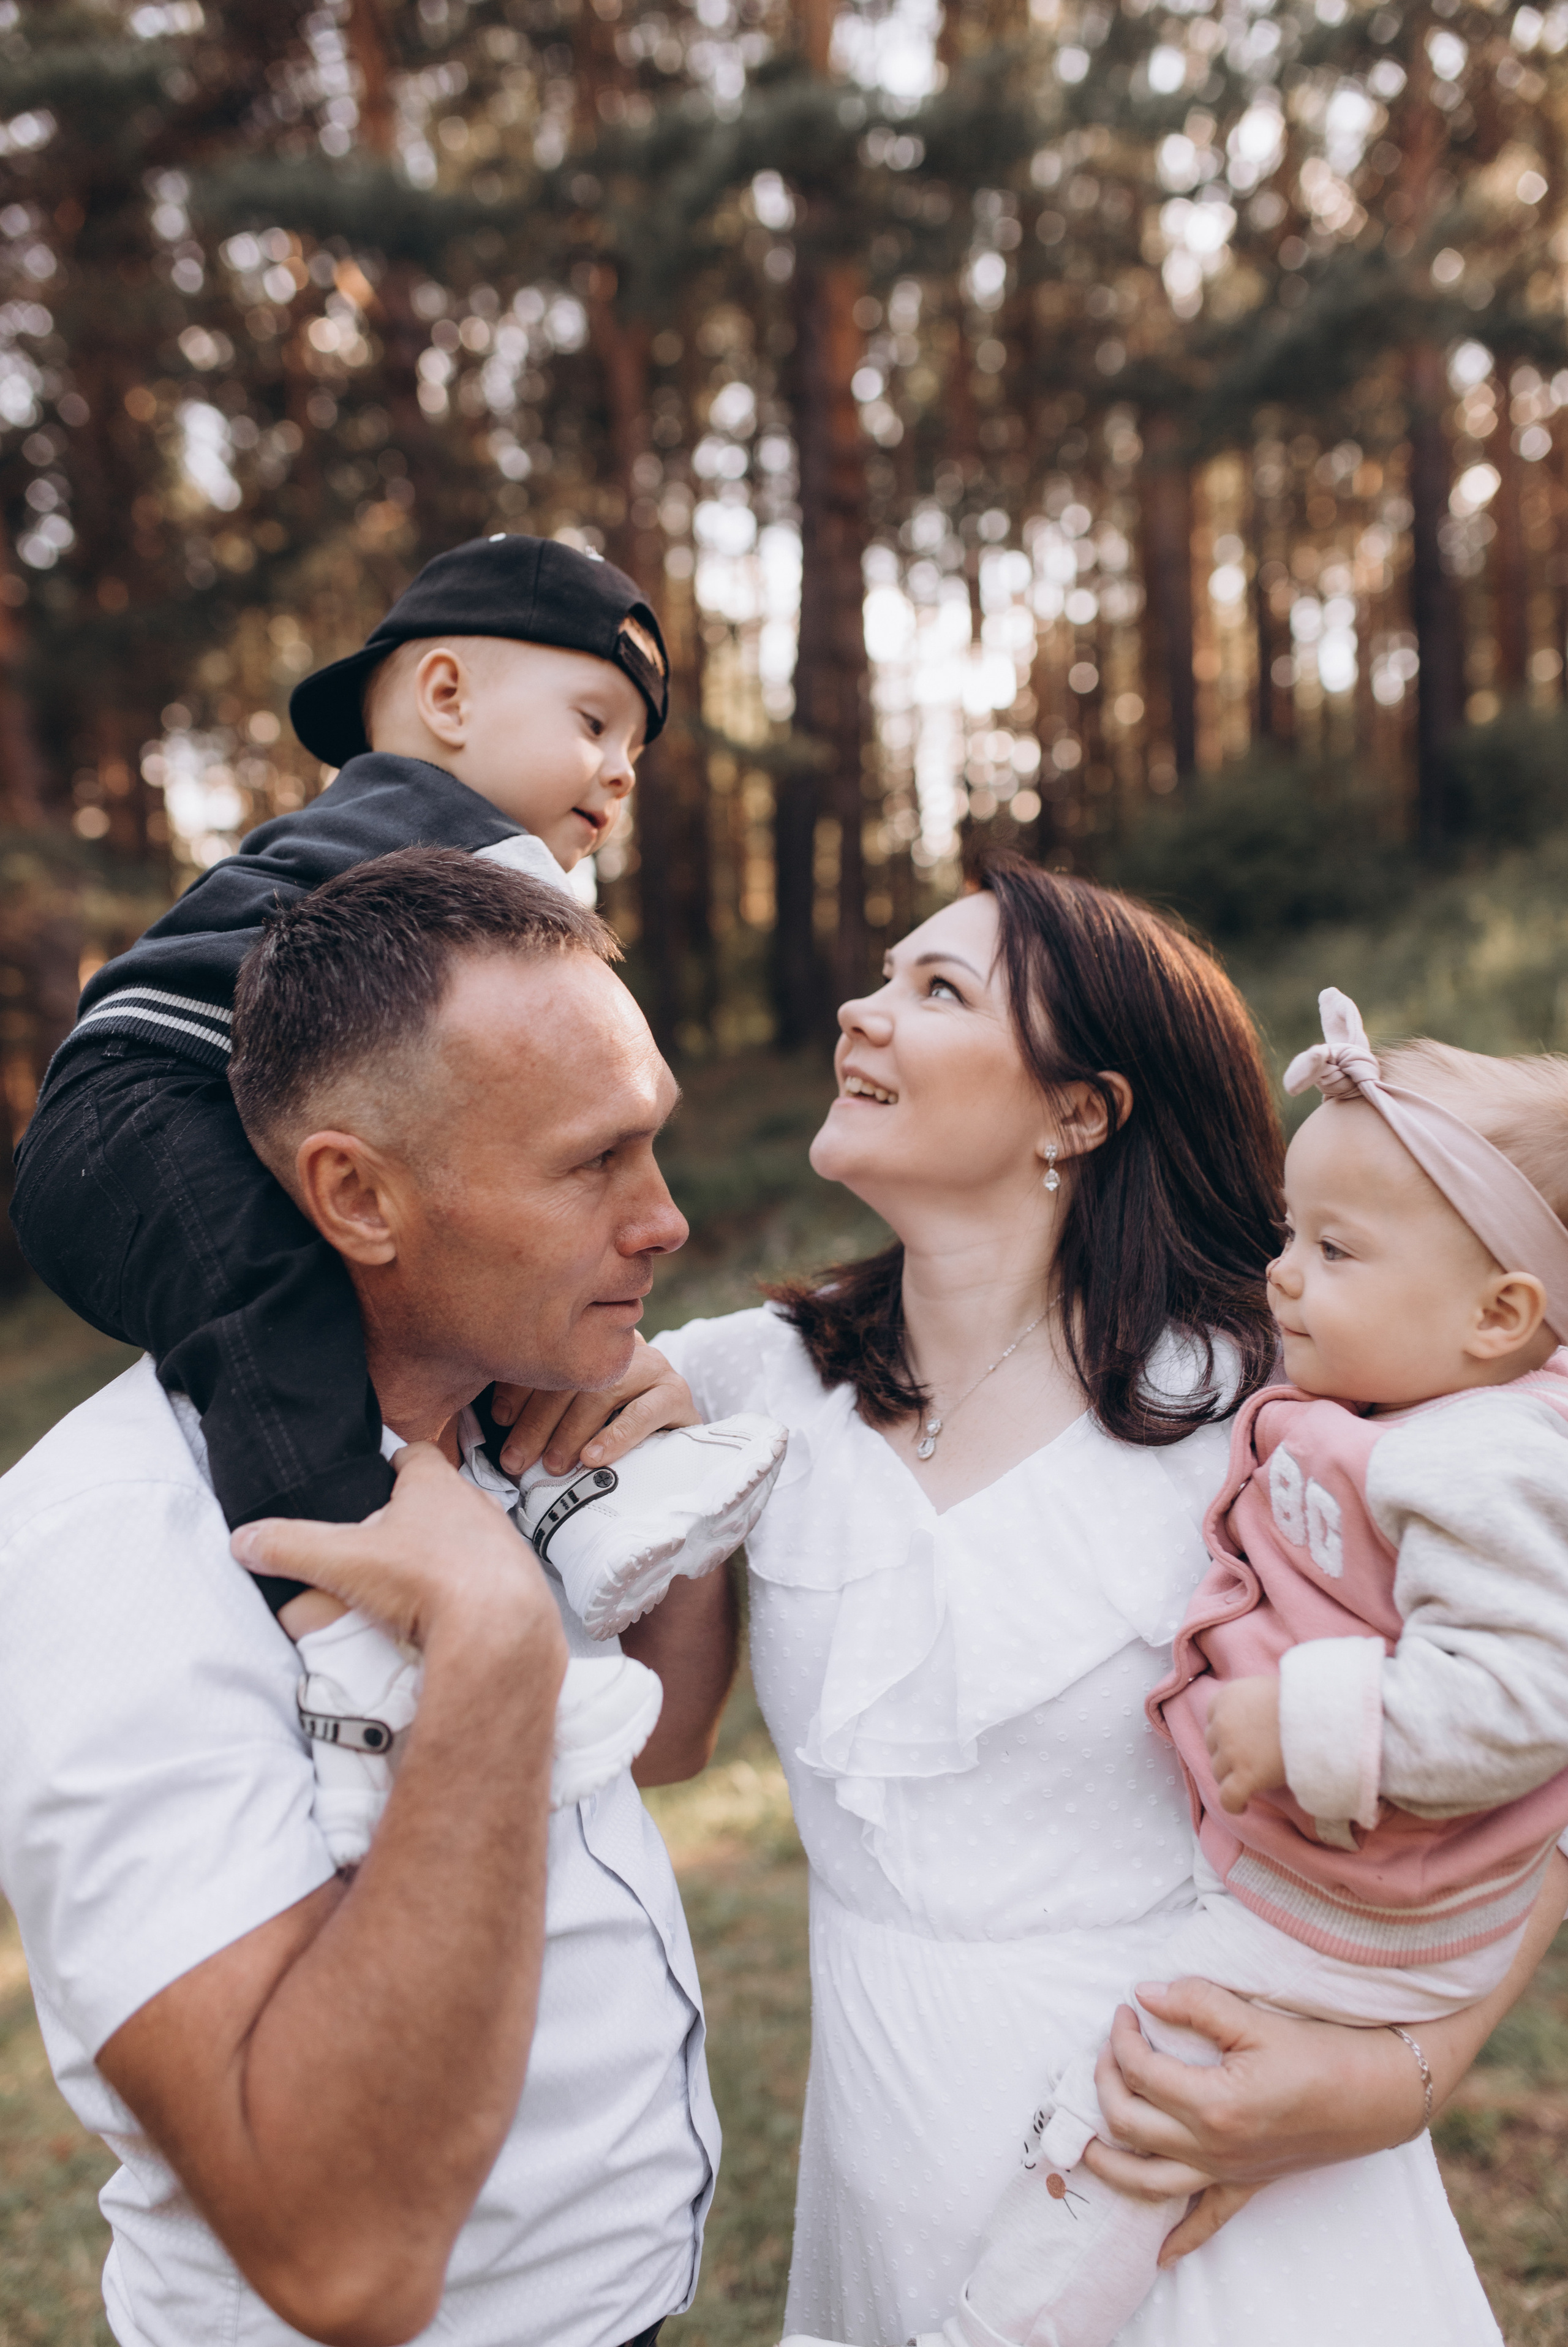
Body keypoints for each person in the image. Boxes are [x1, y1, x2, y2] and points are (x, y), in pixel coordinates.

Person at [648, 858, 1568, 2347]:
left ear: (1079, 1111)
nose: (857, 1011)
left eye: (932, 990)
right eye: (879, 977)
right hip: (885, 2157)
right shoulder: (757, 1378)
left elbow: (1533, 1717)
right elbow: (642, 1709)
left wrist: (1404, 2070)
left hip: (1198, 2152)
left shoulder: (1278, 1394)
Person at [0, 849, 733, 2347]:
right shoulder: (115, 1550)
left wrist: (651, 1517)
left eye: (650, 1144)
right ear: (354, 1192)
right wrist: (492, 1655)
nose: (663, 1220)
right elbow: (344, 2259)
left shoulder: (491, 1411)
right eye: (593, 1161)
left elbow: (659, 1747)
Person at [9, 532, 784, 1859]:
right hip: (132, 1115)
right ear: (445, 700)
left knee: (460, 1273)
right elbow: (542, 1048)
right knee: (275, 1309)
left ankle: (560, 1510)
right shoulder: (455, 844)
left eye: (635, 756)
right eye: (594, 721)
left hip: (221, 1109)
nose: (616, 771)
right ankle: (359, 1638)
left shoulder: (377, 843)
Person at [876, 985, 1568, 2347]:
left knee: (1135, 2102)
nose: (1285, 1276)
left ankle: (996, 2329)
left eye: (1335, 1249)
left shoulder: (1475, 1456)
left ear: (1497, 1315)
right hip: (1328, 1889)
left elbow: (1528, 1695)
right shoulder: (1390, 1411)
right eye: (1287, 1236)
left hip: (1360, 1905)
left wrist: (1301, 1714)